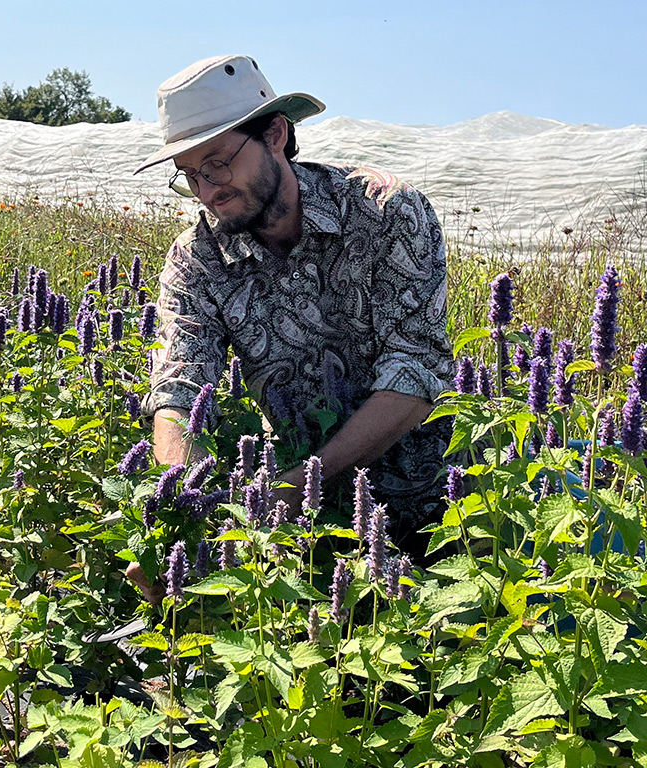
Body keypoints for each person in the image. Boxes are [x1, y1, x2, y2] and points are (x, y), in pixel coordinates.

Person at [128, 54, 453, 599]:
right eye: (189, 175)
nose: (208, 191)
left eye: (217, 163)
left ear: (276, 133)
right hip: (304, 537)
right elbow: (179, 391)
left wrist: (302, 481)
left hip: (445, 512)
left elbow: (415, 372)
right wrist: (180, 513)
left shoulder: (384, 213)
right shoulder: (198, 259)